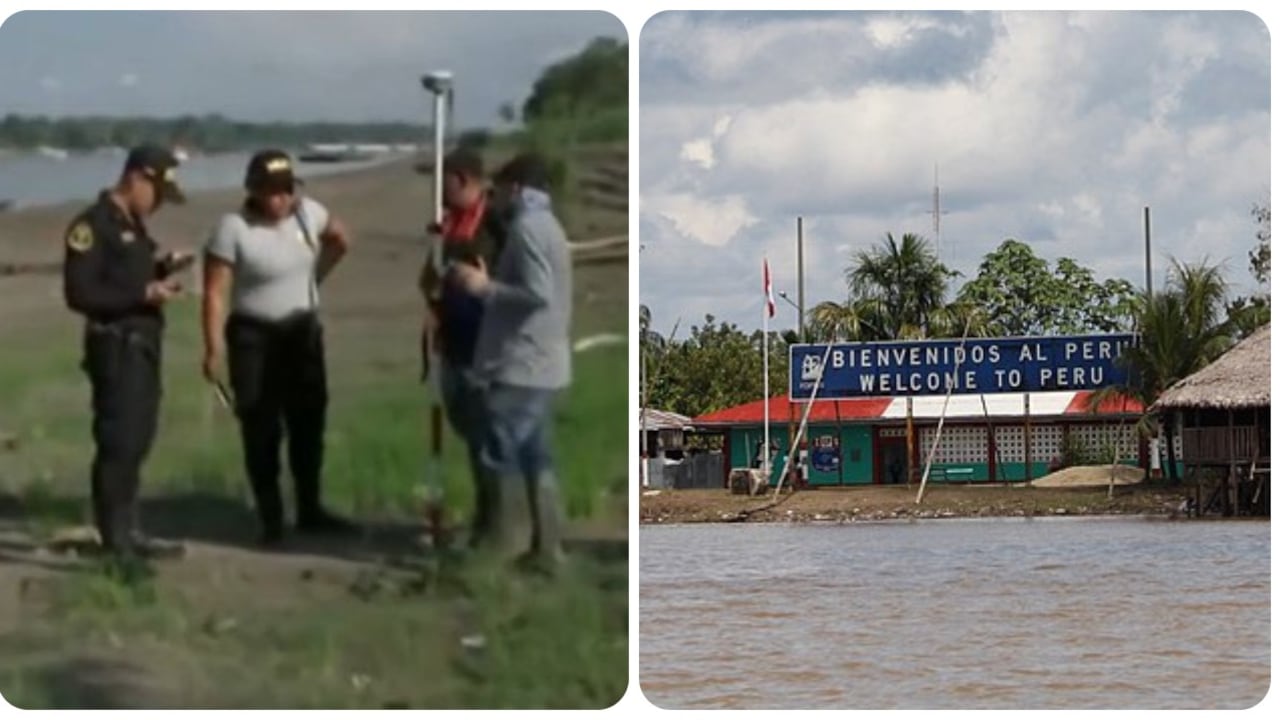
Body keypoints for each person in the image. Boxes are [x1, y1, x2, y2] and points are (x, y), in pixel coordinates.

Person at [200, 149, 354, 545]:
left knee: (308, 423)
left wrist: (314, 280)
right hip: (253, 335)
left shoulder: (309, 214)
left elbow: (340, 239)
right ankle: (270, 518)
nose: (280, 199)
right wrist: (212, 347)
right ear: (253, 191)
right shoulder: (233, 228)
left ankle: (310, 509)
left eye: (286, 190)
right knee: (260, 426)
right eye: (271, 192)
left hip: (301, 331)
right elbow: (215, 292)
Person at [62, 144, 192, 561]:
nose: (157, 205)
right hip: (116, 345)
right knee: (119, 440)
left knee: (138, 437)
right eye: (156, 194)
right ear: (137, 178)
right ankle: (114, 540)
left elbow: (126, 274)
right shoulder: (92, 225)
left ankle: (129, 530)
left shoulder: (132, 225)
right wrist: (143, 292)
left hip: (142, 344)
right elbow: (80, 292)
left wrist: (162, 270)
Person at [453, 152, 572, 571]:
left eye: (500, 190)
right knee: (535, 456)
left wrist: (485, 287)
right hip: (540, 362)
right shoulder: (547, 226)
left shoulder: (526, 228)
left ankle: (504, 547)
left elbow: (537, 292)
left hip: (524, 361)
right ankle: (548, 551)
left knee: (497, 452)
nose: (496, 198)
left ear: (516, 189)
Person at [419, 148, 508, 546]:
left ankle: (498, 526)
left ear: (460, 179)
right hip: (452, 346)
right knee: (471, 439)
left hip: (490, 350)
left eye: (443, 184)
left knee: (492, 443)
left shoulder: (497, 224)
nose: (438, 194)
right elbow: (427, 283)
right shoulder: (447, 225)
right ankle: (483, 520)